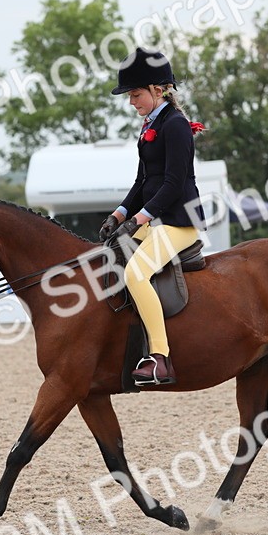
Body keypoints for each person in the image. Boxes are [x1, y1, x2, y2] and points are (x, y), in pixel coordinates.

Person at [98, 47, 205, 386]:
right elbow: (142, 182)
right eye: (130, 95)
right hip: (156, 223)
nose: (132, 102)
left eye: (136, 94)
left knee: (136, 273)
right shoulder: (149, 126)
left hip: (179, 223)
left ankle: (160, 358)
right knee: (111, 254)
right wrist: (119, 214)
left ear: (158, 90)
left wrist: (140, 218)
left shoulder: (175, 125)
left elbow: (173, 184)